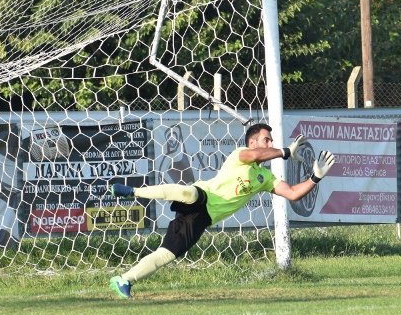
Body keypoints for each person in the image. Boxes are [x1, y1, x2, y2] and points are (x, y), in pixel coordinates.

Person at [108, 122, 335, 299]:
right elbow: (256, 156)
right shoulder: (241, 154)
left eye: (272, 140)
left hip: (203, 219)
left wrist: (315, 177)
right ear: (253, 142)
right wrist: (285, 151)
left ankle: (124, 280)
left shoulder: (266, 177)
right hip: (203, 197)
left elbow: (293, 193)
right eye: (267, 139)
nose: (270, 143)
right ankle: (132, 191)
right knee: (190, 193)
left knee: (168, 254)